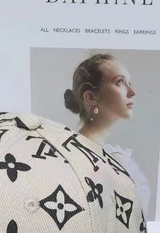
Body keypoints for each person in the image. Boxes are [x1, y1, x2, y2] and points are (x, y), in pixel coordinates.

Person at [63, 53, 152, 215]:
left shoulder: (118, 158)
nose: (132, 92)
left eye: (129, 83)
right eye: (119, 82)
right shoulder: (118, 163)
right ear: (90, 97)